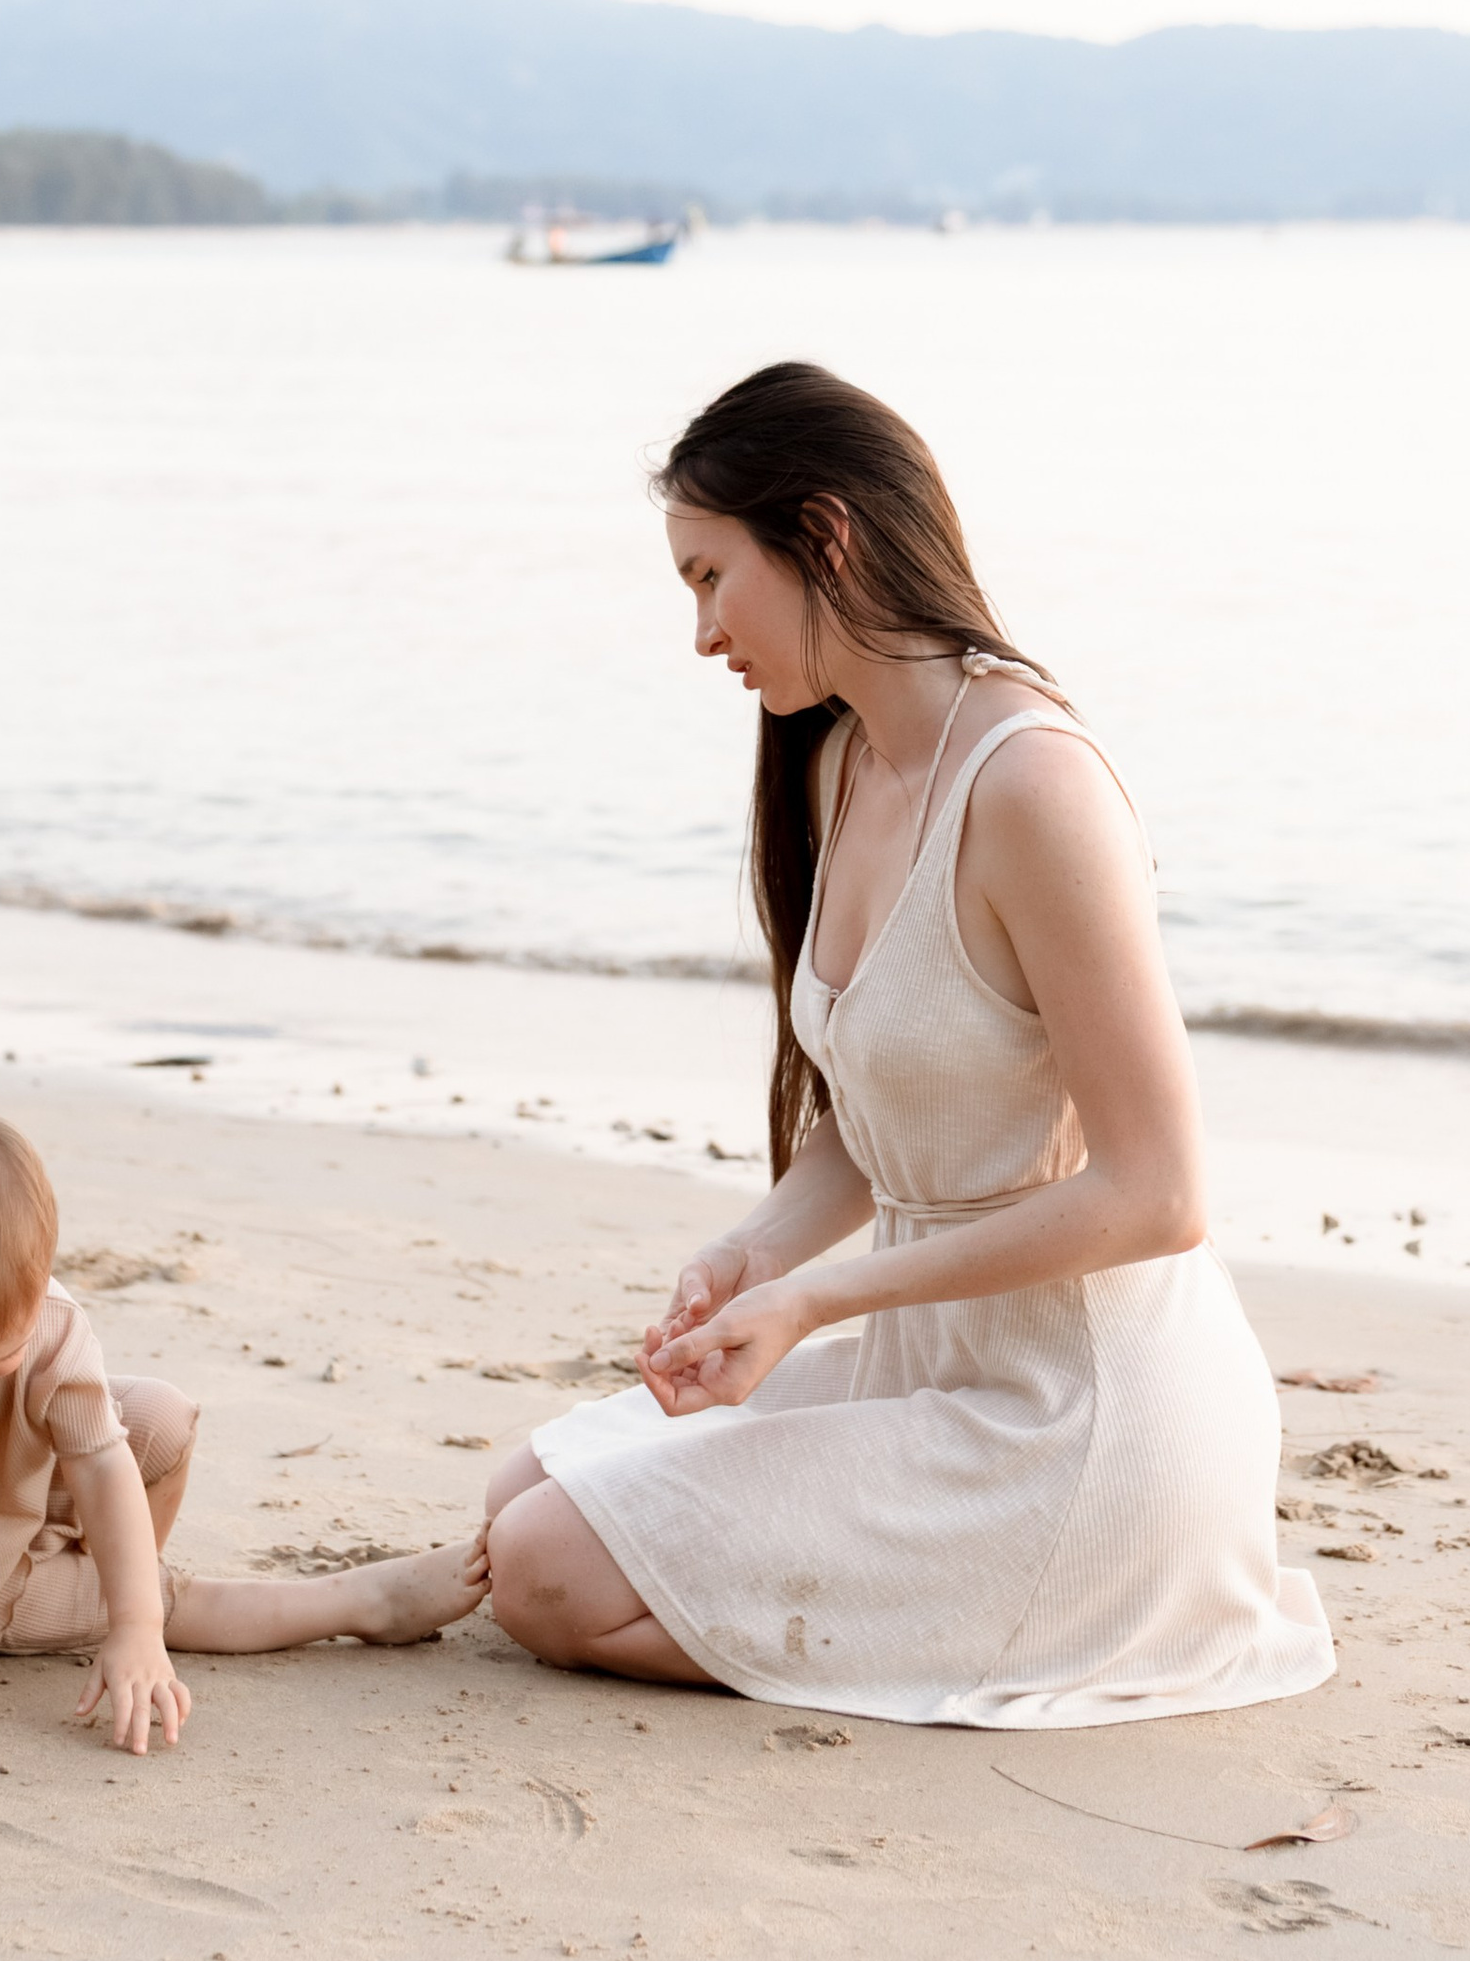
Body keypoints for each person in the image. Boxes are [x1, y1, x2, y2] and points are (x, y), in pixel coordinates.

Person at [482, 360, 1334, 1729]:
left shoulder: (1035, 785)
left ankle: (1018, 1621)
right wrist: (750, 1256)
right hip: (935, 1359)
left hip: (1082, 1413)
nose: (702, 633)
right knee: (521, 1492)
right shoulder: (843, 759)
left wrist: (819, 1302)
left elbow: (1159, 1195)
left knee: (541, 1572)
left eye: (711, 577)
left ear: (824, 537)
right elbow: (890, 1111)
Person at [0, 1107, 485, 1751]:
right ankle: (360, 1603)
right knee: (180, 1605)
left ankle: (109, 1585)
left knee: (159, 1418)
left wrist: (131, 1625)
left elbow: (105, 1460)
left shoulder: (46, 1316)